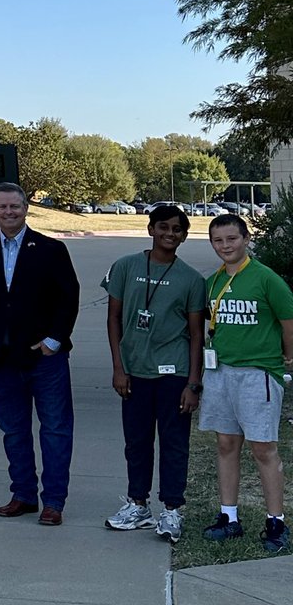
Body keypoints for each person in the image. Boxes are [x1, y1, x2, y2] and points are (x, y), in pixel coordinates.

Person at [0, 182, 80, 526]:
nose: (8, 213)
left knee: (55, 430)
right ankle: (23, 495)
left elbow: (68, 297)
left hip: (46, 359)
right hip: (2, 358)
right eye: (2, 207)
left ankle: (54, 501)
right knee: (13, 430)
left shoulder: (51, 249)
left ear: (26, 208)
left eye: (14, 206)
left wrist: (54, 340)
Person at [103, 205, 206, 543]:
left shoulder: (191, 279)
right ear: (150, 229)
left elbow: (195, 334)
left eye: (177, 229)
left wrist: (193, 383)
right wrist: (119, 367)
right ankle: (138, 504)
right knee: (137, 443)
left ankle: (172, 510)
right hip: (134, 372)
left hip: (173, 373)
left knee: (174, 444)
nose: (170, 234)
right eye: (163, 227)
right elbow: (114, 319)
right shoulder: (125, 267)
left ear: (184, 236)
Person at [198, 213, 293, 554]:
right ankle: (229, 517)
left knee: (263, 448)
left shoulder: (266, 279)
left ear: (246, 239)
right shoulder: (213, 281)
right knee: (226, 444)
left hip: (257, 373)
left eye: (232, 239)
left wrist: (286, 357)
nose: (225, 246)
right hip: (221, 372)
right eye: (218, 241)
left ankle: (276, 521)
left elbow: (288, 320)